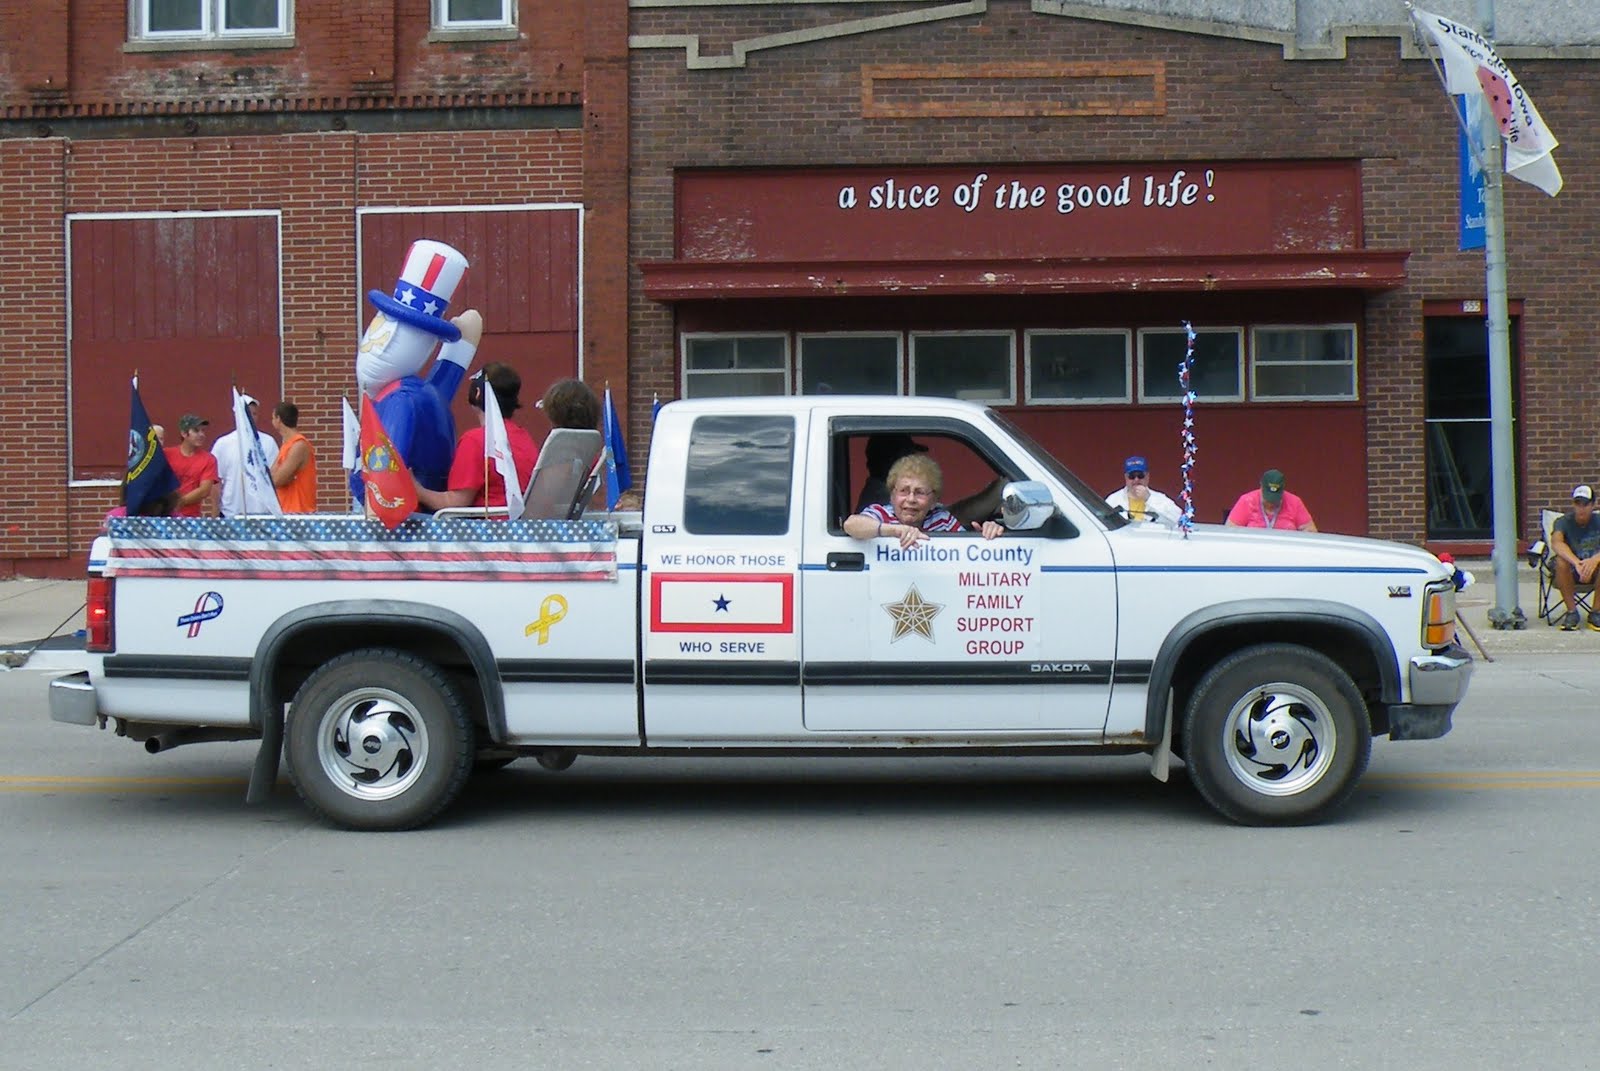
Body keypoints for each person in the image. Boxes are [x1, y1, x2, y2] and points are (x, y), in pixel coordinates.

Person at [415, 363, 540, 512]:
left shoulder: (475, 440)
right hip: (520, 523)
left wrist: (417, 490)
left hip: (487, 524)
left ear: (478, 393)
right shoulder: (524, 437)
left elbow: (455, 503)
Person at [844, 452, 1003, 547]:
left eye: (920, 492)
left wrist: (984, 535)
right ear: (892, 495)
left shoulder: (941, 519)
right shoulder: (880, 513)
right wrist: (895, 530)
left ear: (933, 501)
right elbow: (851, 525)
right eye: (904, 491)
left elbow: (964, 549)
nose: (911, 499)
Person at [212, 393, 280, 517]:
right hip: (231, 512)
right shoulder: (222, 444)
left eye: (254, 414)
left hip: (262, 513)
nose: (251, 417)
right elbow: (216, 481)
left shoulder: (268, 442)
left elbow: (275, 476)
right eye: (247, 413)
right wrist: (215, 511)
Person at [1551, 483, 1600, 631]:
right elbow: (1556, 543)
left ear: (1593, 505)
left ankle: (1596, 612)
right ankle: (1572, 612)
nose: (1581, 508)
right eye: (1578, 504)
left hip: (1596, 570)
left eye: (1585, 504)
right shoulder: (1563, 522)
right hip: (1571, 571)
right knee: (1560, 561)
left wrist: (1594, 560)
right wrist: (1577, 563)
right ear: (1573, 504)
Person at [1226, 468, 1316, 531]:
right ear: (1261, 487)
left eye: (1275, 499)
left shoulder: (1294, 502)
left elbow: (1310, 531)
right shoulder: (1247, 500)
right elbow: (1230, 530)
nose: (1271, 503)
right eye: (1268, 498)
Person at [163, 413, 217, 518]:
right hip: (165, 514)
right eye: (196, 431)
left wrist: (180, 502)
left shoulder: (209, 459)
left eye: (203, 431)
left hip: (191, 517)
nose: (201, 434)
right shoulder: (167, 454)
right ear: (184, 433)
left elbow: (204, 490)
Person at [1105, 454, 1180, 527]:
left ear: (1147, 476)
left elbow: (1178, 519)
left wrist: (1149, 499)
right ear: (1126, 477)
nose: (1136, 480)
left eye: (1140, 475)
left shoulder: (1160, 498)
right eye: (1132, 476)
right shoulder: (1113, 499)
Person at [270, 401, 318, 513]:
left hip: (299, 512)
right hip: (286, 510)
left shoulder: (299, 445)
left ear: (278, 419)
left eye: (273, 418)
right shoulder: (287, 445)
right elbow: (271, 475)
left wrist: (280, 475)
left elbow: (277, 480)